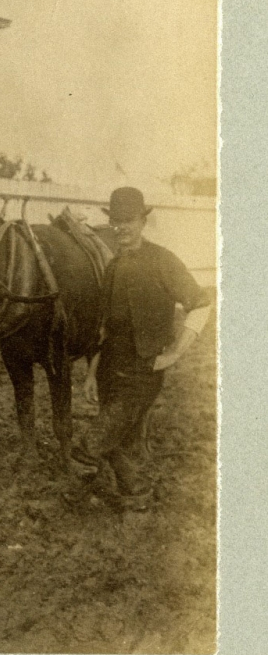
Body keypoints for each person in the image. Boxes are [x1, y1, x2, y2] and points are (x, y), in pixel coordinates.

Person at [72, 187, 212, 510]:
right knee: (118, 439)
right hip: (110, 370)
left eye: (129, 220)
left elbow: (202, 303)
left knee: (93, 441)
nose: (122, 227)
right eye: (116, 221)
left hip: (143, 372)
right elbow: (103, 329)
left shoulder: (163, 261)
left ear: (142, 221)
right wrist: (92, 374)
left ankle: (75, 497)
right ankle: (136, 496)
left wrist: (175, 353)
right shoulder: (112, 268)